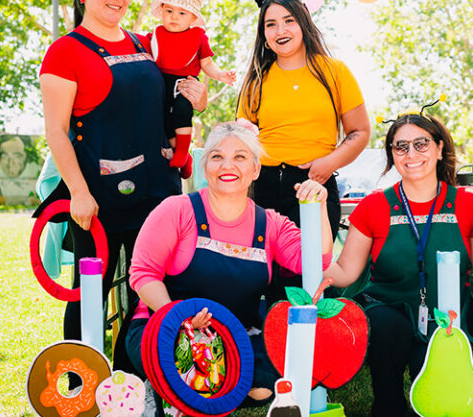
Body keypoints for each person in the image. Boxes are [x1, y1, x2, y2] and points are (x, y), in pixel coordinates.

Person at [38, 0, 207, 359]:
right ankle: (79, 379)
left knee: (148, 291)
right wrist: (78, 192)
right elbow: (56, 132)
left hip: (157, 193)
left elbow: (167, 108)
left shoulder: (143, 43)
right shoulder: (64, 52)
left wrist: (194, 103)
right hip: (96, 199)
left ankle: (135, 382)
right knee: (89, 294)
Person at [124, 121, 333, 407]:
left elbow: (315, 260)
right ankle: (193, 386)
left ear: (256, 169)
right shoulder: (176, 210)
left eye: (240, 157)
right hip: (164, 327)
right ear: (205, 166)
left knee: (277, 368)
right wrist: (180, 320)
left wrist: (318, 206)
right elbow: (143, 274)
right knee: (178, 362)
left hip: (236, 337)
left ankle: (202, 389)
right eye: (217, 156)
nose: (227, 166)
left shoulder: (270, 223)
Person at [324, 111, 473, 416]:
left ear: (440, 149)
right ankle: (387, 403)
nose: (410, 154)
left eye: (421, 144)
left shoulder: (469, 205)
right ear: (392, 155)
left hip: (447, 320)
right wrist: (308, 264)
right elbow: (346, 272)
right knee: (387, 329)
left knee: (433, 399)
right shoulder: (373, 206)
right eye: (400, 147)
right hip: (390, 311)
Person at [238, 0, 369, 304]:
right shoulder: (256, 79)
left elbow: (360, 131)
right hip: (264, 187)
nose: (279, 30)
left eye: (288, 21)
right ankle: (271, 350)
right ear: (263, 34)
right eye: (270, 24)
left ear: (304, 23)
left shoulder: (334, 72)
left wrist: (328, 165)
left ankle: (320, 351)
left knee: (314, 279)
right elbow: (242, 141)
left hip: (315, 185)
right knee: (267, 281)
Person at [150, 0, 236, 168]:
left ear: (192, 19)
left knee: (182, 110)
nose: (174, 17)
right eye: (169, 11)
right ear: (162, 10)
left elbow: (207, 63)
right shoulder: (155, 35)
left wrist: (221, 75)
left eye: (182, 13)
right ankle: (184, 158)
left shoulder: (198, 38)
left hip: (184, 83)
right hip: (162, 83)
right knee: (162, 116)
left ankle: (182, 150)